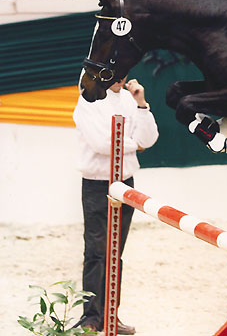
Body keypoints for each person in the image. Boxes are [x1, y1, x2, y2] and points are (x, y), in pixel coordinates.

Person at [72, 77, 159, 334]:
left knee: (115, 253)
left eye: (124, 72)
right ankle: (90, 317)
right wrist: (135, 146)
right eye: (116, 72)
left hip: (125, 183)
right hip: (96, 183)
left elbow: (150, 138)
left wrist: (142, 104)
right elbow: (101, 144)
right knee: (96, 251)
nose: (122, 78)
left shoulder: (130, 101)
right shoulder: (87, 100)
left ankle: (111, 314)